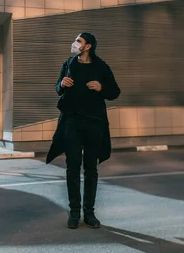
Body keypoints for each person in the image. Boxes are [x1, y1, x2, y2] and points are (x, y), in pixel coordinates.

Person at [46, 32, 121, 229]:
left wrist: (101, 87)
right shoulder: (69, 63)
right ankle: (74, 212)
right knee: (72, 167)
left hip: (94, 123)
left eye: (78, 41)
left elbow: (115, 92)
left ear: (88, 46)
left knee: (91, 168)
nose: (74, 43)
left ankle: (89, 213)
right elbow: (57, 87)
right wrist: (61, 84)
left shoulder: (101, 67)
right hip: (72, 123)